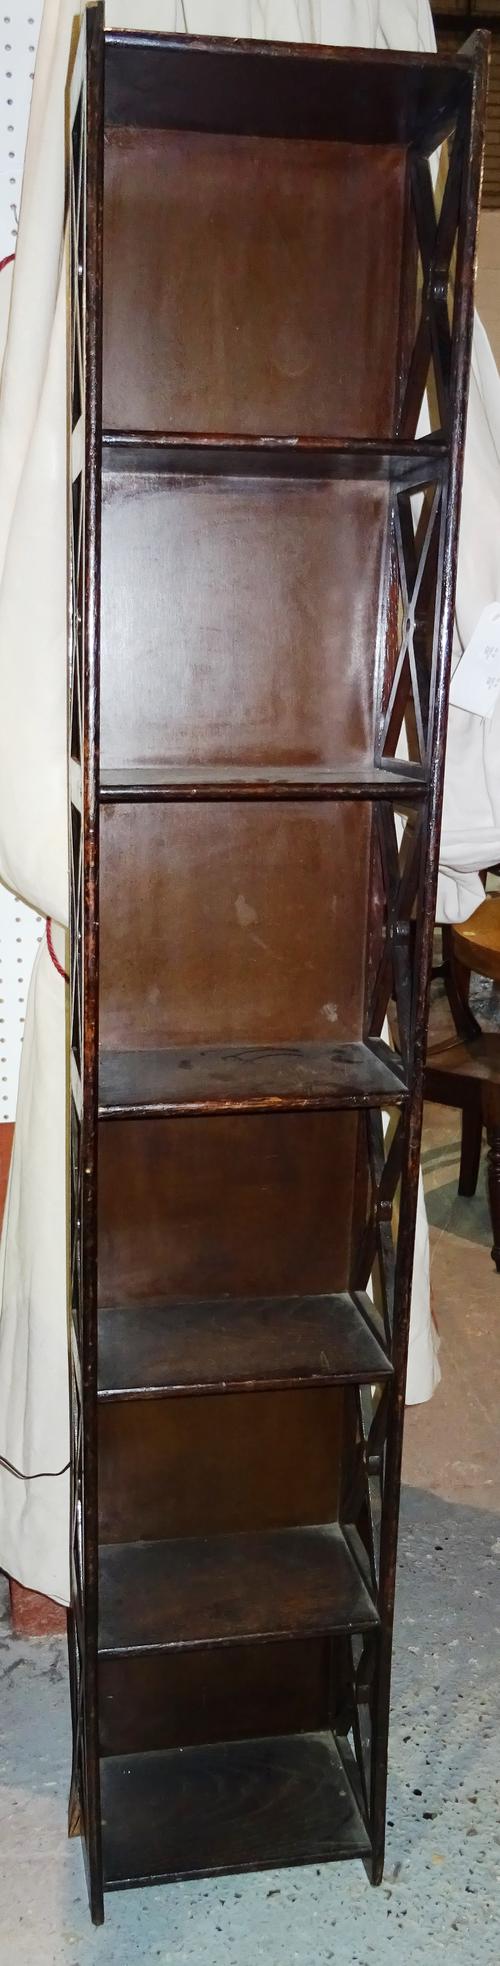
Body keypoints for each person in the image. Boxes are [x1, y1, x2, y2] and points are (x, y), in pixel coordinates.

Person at [0, 0, 498, 1606]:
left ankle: (257, 1546)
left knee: (282, 1223)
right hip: (167, 879)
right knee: (146, 1253)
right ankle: (98, 1559)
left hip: (302, 887)